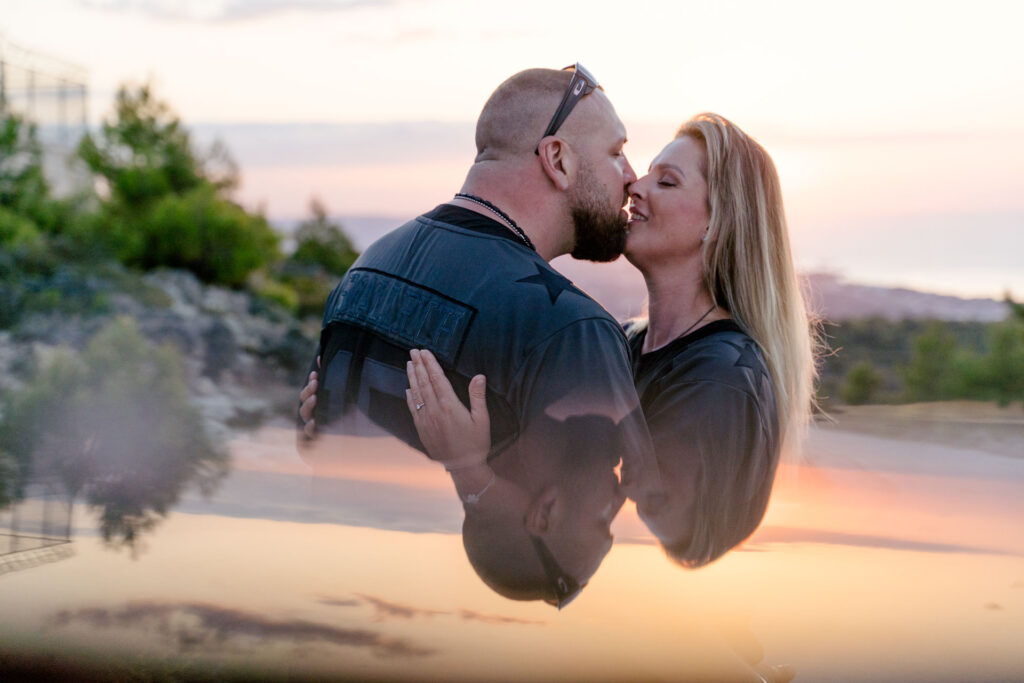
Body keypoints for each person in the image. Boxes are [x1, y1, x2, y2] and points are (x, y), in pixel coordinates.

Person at [298, 65, 662, 607]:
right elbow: (625, 505)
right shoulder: (570, 327)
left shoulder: (362, 272)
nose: (632, 177)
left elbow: (327, 460)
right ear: (557, 160)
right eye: (616, 153)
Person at [403, 112, 819, 568]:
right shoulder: (618, 343)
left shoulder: (719, 380)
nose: (635, 187)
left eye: (667, 182)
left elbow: (624, 542)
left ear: (716, 223)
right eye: (647, 173)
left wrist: (470, 469)